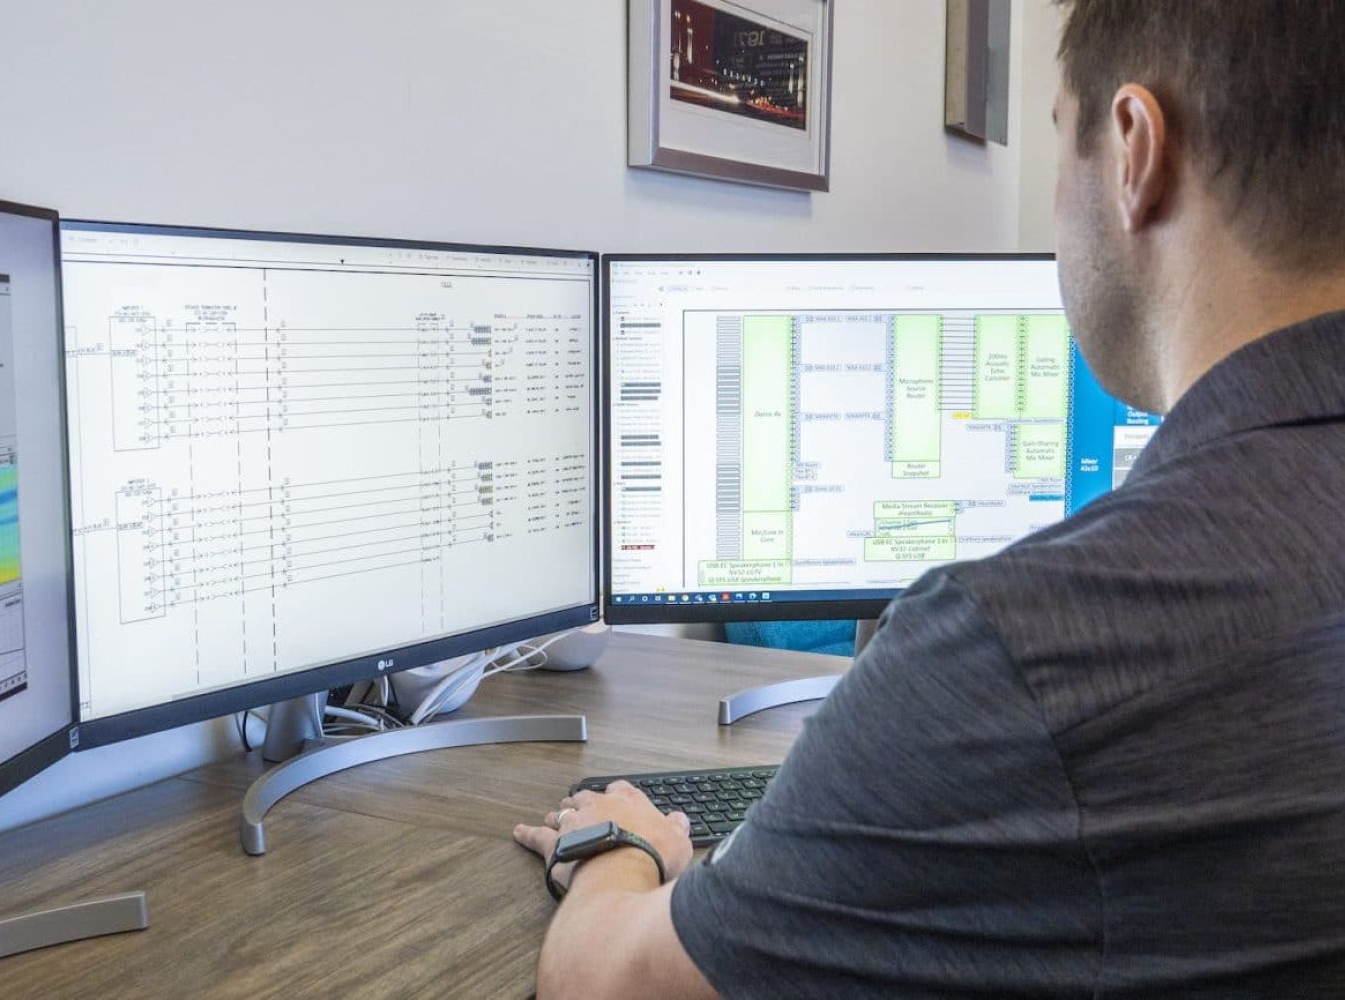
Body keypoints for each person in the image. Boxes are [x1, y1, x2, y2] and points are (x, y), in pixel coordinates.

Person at [512, 2, 1345, 996]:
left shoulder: (1025, 643)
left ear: (1133, 150)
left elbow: (614, 983)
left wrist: (622, 843)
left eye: (1057, 139)